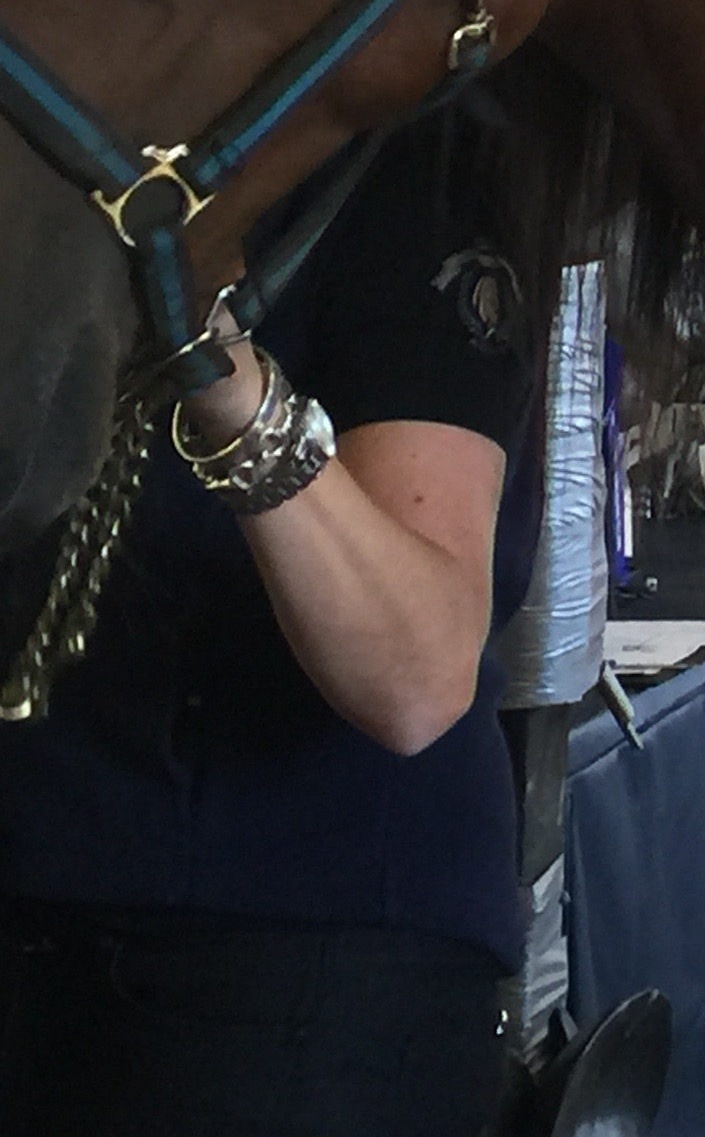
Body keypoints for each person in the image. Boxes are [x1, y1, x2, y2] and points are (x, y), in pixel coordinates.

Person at [0, 105, 542, 1136]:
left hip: (303, 956)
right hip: (39, 895)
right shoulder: (42, 158)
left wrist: (217, 367)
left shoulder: (415, 185)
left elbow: (414, 675)